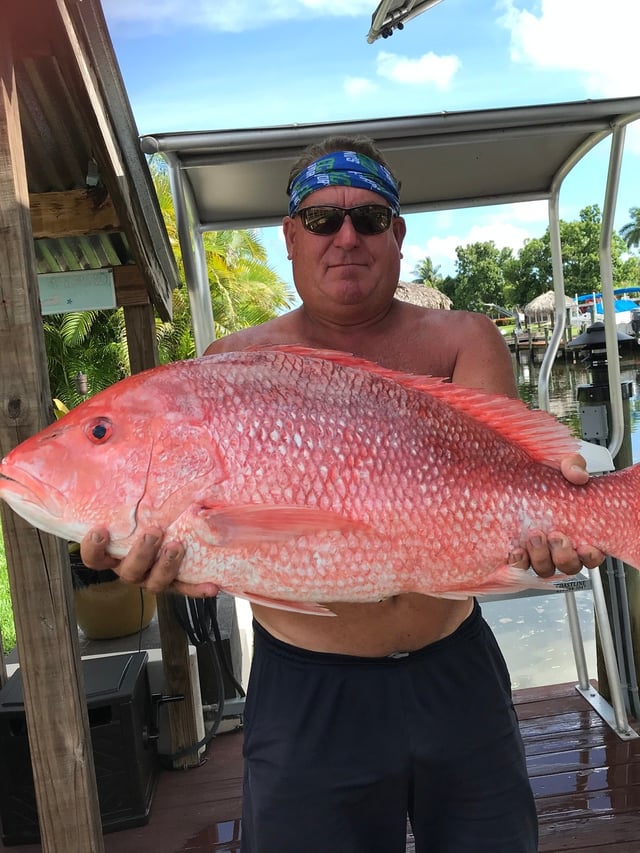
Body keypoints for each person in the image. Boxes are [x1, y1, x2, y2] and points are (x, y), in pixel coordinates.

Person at [81, 136, 604, 853]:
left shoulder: (463, 338)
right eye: (323, 221)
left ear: (398, 232)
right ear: (291, 237)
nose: (347, 236)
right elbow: (213, 535)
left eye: (369, 216)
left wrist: (556, 528)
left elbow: (509, 480)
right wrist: (163, 560)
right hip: (307, 690)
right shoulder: (231, 366)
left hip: (454, 670)